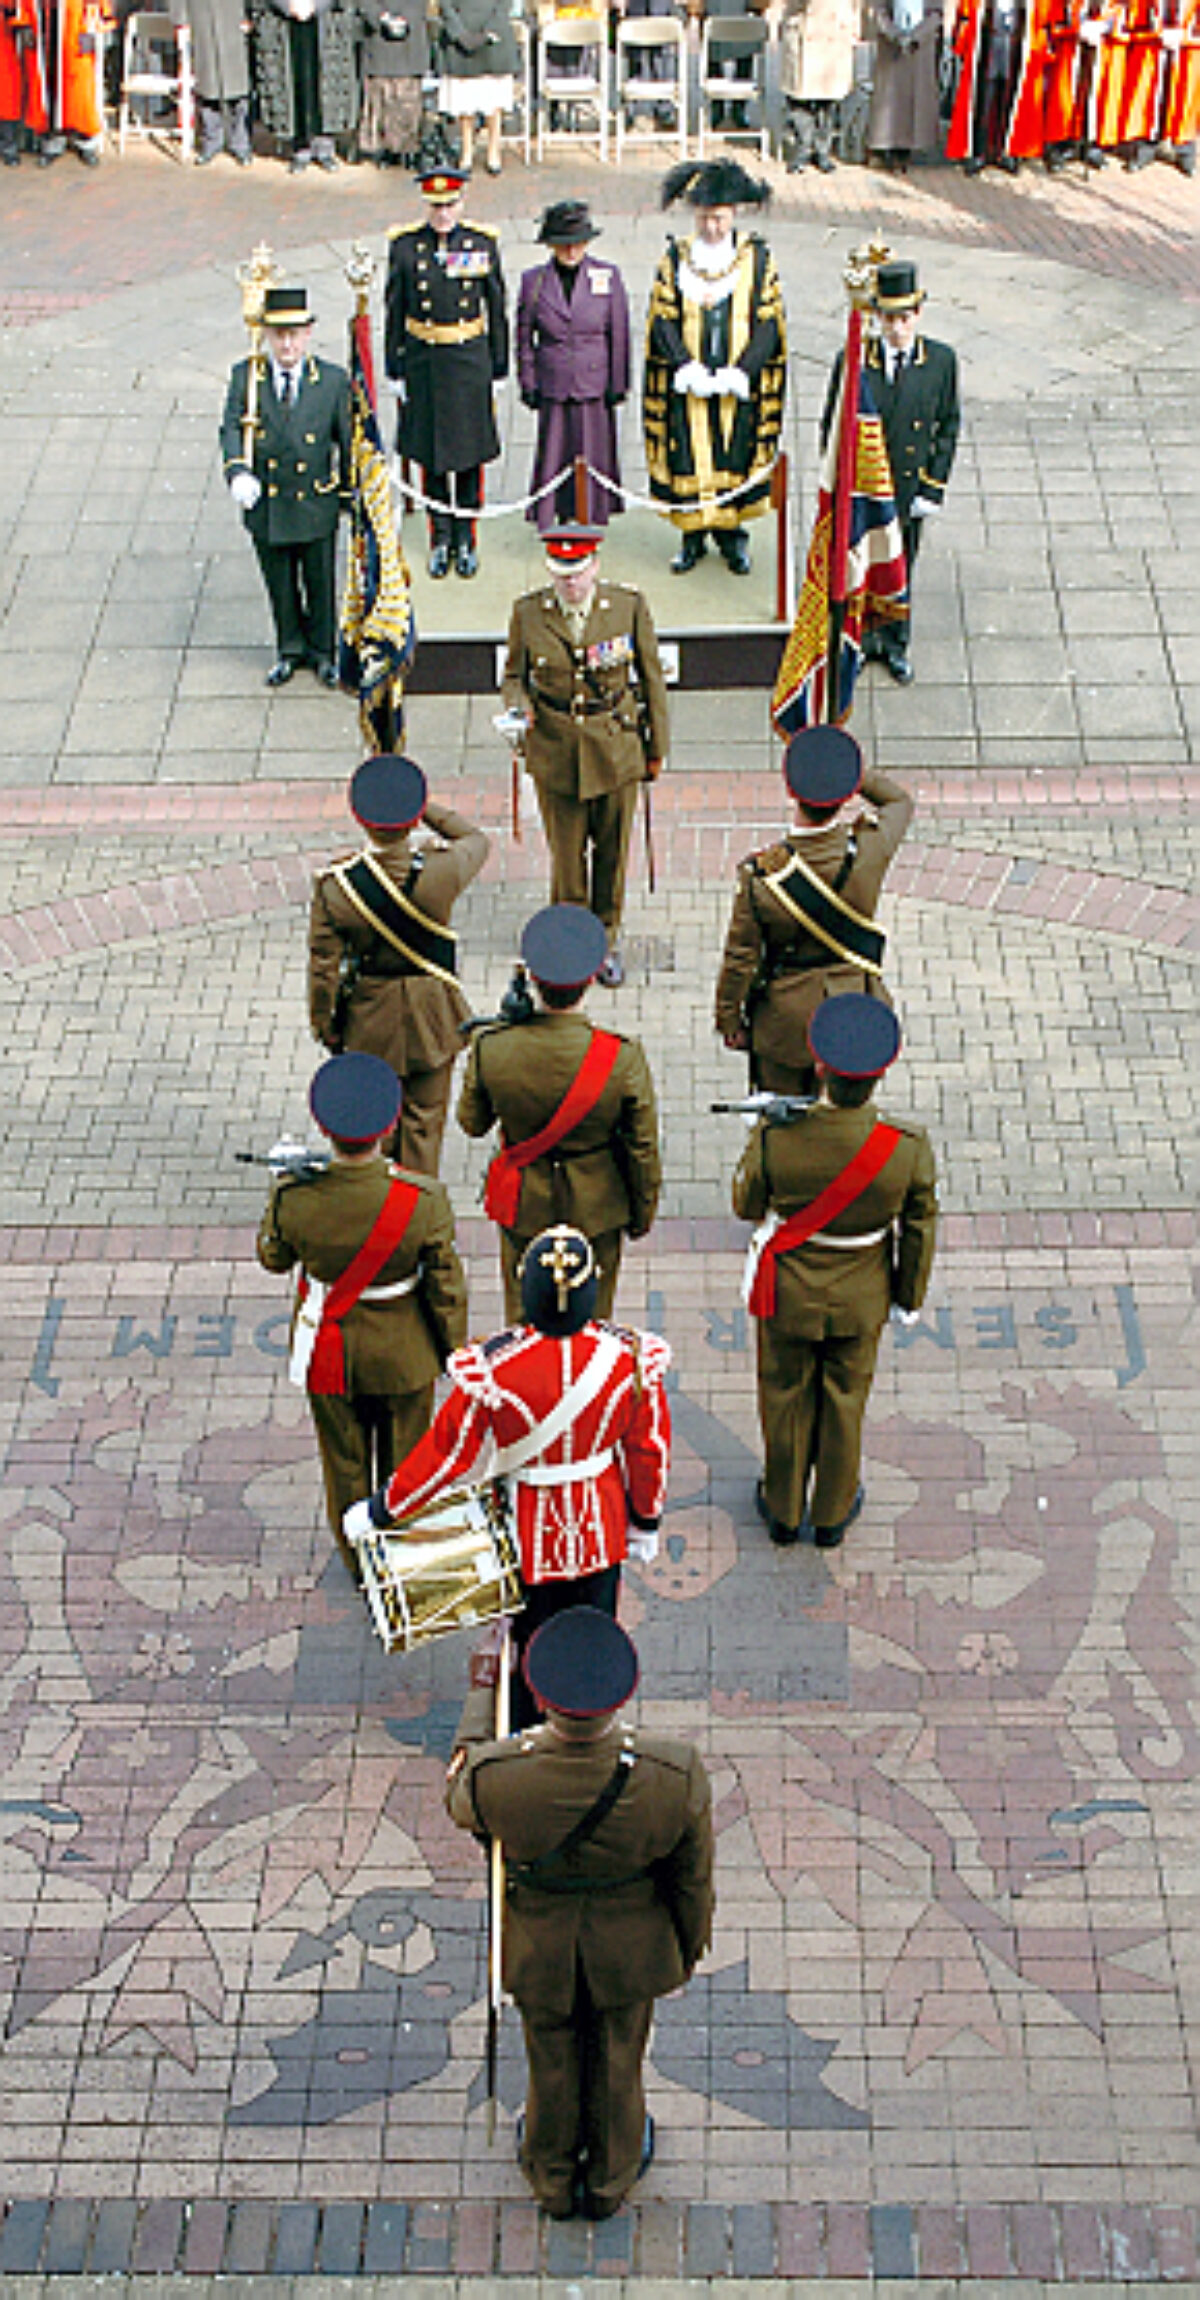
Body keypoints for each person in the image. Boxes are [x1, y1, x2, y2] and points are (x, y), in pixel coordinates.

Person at [444, 1608, 714, 2218]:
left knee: (549, 2057)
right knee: (620, 2058)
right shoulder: (672, 1773)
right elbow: (692, 1877)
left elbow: (458, 1794)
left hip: (539, 1947)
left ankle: (551, 2174)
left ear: (536, 1694)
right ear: (625, 1693)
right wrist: (687, 1945)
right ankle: (611, 2179)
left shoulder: (498, 1776)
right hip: (631, 1949)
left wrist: (482, 1692)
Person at [344, 1229, 673, 1726]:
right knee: (594, 1644)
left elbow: (446, 1455)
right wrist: (645, 1521)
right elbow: (648, 1450)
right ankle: (590, 1736)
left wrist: (383, 1508)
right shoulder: (628, 1359)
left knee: (527, 1649)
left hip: (527, 1534)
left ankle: (526, 1736)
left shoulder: (495, 1367)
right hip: (601, 1532)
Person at [733, 994, 937, 1548]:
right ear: (880, 1074)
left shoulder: (779, 1135)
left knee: (783, 1394)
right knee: (846, 1401)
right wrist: (907, 1297)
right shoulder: (907, 1147)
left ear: (818, 1065)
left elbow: (746, 1204)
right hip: (862, 1293)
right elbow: (918, 1231)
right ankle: (831, 1513)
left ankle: (782, 1508)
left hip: (790, 1291)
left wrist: (759, 1135)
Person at [256, 1052, 468, 1582]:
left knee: (344, 1463)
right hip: (404, 1351)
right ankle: (399, 1561)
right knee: (404, 1463)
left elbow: (274, 1258)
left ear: (323, 1128)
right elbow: (446, 1289)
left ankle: (358, 1563)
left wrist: (279, 1188)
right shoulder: (423, 1201)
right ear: (391, 1125)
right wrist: (450, 1352)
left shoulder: (294, 1196)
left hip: (332, 1351)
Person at [458, 905, 661, 1317]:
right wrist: (641, 1211)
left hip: (524, 1203)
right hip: (598, 1203)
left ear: (532, 979)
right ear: (590, 980)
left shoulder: (492, 1046)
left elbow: (472, 1123)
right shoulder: (621, 1058)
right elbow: (643, 1149)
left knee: (523, 1321)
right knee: (593, 1324)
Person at [307, 754, 490, 1176]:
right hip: (434, 1014)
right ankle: (419, 1206)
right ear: (413, 818)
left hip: (370, 1017)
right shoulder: (443, 870)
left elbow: (323, 968)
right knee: (425, 1124)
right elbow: (476, 839)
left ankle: (376, 1200)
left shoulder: (337, 887)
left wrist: (325, 1023)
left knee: (374, 1121)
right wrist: (424, 806)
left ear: (359, 817)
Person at [500, 526, 670, 976]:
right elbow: (514, 676)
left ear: (594, 566)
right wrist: (519, 709)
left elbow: (652, 680)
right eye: (561, 574)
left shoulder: (627, 607)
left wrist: (656, 748)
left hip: (616, 749)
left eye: (577, 572)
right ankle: (573, 941)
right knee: (566, 858)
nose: (570, 583)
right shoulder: (529, 613)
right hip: (557, 753)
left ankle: (606, 939)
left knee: (612, 855)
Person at [714, 725, 914, 1100]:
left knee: (783, 1122)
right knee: (839, 1120)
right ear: (844, 795)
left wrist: (728, 1019)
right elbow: (898, 802)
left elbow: (740, 958)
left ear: (791, 791)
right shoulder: (871, 848)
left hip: (783, 1023)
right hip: (852, 1009)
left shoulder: (761, 876)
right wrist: (847, 772)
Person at [644, 158, 787, 579]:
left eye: (720, 219)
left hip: (734, 387)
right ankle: (692, 538)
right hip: (688, 388)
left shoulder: (757, 260)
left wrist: (741, 371)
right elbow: (662, 319)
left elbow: (769, 324)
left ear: (734, 215)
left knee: (734, 456)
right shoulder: (675, 259)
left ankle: (732, 538)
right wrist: (684, 366)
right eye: (705, 219)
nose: (712, 228)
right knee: (688, 456)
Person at [821, 257, 960, 684]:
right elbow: (832, 422)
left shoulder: (939, 361)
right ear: (877, 316)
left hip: (907, 487)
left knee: (900, 568)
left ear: (918, 314)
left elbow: (948, 425)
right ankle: (860, 641)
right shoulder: (856, 358)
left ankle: (896, 644)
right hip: (866, 488)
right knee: (862, 566)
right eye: (888, 317)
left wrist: (932, 489)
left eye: (904, 317)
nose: (897, 328)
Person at [219, 283, 352, 690]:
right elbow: (231, 427)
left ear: (308, 333)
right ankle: (290, 649)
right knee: (280, 583)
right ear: (267, 336)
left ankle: (324, 651)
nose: (287, 343)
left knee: (320, 581)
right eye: (279, 335)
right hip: (270, 504)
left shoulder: (330, 381)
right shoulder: (248, 378)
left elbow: (345, 439)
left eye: (295, 334)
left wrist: (349, 494)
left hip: (314, 502)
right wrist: (238, 472)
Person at [384, 164, 509, 580]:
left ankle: (465, 538)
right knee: (433, 459)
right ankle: (440, 538)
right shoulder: (405, 248)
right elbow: (394, 311)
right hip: (425, 362)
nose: (443, 214)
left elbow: (496, 308)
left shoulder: (481, 244)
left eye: (450, 205)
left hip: (468, 360)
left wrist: (499, 364)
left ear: (462, 203)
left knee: (469, 457)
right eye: (436, 206)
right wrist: (394, 367)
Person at [517, 198, 631, 536]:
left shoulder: (607, 276)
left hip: (593, 381)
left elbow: (619, 332)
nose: (571, 251)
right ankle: (555, 514)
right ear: (551, 245)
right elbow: (524, 336)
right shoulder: (533, 282)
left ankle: (592, 514)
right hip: (553, 381)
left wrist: (618, 382)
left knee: (593, 452)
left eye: (578, 243)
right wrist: (528, 380)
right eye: (564, 244)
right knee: (554, 450)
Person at [247, 0, 359, 170]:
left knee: (324, 87)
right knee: (294, 87)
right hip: (286, 26)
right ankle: (300, 148)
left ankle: (325, 147)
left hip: (325, 23)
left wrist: (316, 5)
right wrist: (288, 5)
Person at [0, 0, 104, 165]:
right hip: (41, 20)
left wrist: (91, 26)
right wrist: (23, 21)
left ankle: (86, 142)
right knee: (44, 86)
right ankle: (52, 143)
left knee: (80, 87)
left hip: (74, 22)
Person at [946, 0, 1029, 171]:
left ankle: (1003, 151)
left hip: (1013, 49)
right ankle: (979, 153)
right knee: (983, 103)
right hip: (988, 48)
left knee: (1007, 103)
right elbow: (966, 16)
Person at [436, 0, 518, 172]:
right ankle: (467, 153)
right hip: (460, 39)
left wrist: (489, 31)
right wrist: (459, 34)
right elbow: (445, 5)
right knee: (465, 103)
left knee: (493, 103)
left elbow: (504, 4)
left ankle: (493, 152)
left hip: (494, 40)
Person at [780, 0, 861, 170]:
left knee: (829, 98)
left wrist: (854, 26)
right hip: (803, 29)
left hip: (835, 32)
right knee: (799, 96)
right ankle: (802, 146)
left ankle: (822, 149)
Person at [865, 0, 942, 168]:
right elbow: (878, 10)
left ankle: (905, 151)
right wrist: (893, 34)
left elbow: (936, 13)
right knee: (888, 101)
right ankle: (882, 147)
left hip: (920, 49)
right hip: (890, 47)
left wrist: (917, 36)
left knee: (913, 99)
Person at [357, 0, 430, 165]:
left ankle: (407, 147)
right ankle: (383, 148)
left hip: (410, 42)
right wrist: (380, 17)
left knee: (407, 100)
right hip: (378, 43)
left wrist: (406, 18)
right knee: (380, 99)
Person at [182, 0, 254, 162]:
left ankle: (241, 143)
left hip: (235, 16)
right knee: (207, 86)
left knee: (239, 86)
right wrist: (181, 19)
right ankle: (211, 141)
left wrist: (251, 14)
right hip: (200, 17)